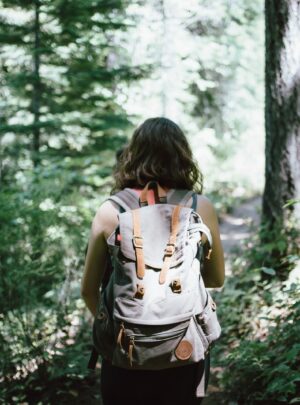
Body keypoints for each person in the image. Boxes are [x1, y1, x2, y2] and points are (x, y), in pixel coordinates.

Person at [81, 117, 225, 405]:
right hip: (184, 348)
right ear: (182, 155)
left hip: (125, 352)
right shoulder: (200, 206)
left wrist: (117, 327)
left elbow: (88, 289)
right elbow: (216, 279)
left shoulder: (111, 210)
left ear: (134, 154)